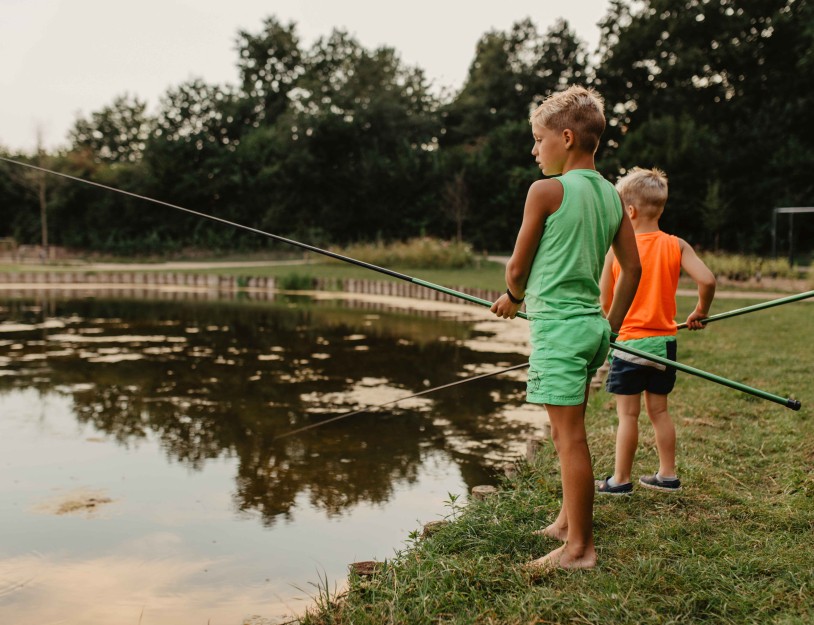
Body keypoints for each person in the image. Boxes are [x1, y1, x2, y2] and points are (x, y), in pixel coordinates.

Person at [491, 85, 641, 571]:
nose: (535, 150)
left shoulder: (547, 191)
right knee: (563, 434)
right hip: (593, 330)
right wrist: (611, 327)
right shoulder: (613, 197)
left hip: (559, 331)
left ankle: (579, 549)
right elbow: (631, 270)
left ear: (568, 138)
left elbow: (517, 268)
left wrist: (513, 300)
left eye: (538, 139)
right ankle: (564, 521)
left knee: (570, 436)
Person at [595, 167, 716, 496]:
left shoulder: (616, 251)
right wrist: (700, 311)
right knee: (659, 410)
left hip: (630, 344)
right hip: (664, 343)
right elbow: (706, 280)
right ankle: (667, 475)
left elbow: (606, 303)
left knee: (628, 415)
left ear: (629, 211)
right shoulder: (676, 245)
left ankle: (620, 480)